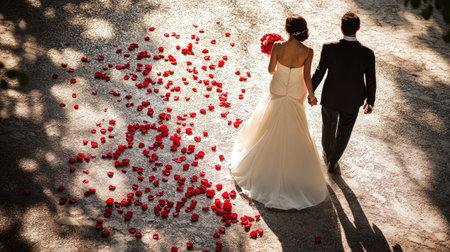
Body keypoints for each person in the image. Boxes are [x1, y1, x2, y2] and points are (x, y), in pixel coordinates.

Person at [230, 15, 328, 210]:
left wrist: (280, 72)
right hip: (294, 91)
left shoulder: (277, 47)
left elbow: (270, 69)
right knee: (295, 126)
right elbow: (307, 76)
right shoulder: (308, 51)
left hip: (278, 87)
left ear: (287, 30)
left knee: (269, 121)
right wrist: (311, 95)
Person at [312, 11, 376, 175]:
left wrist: (310, 91)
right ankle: (334, 161)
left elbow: (320, 72)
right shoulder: (367, 53)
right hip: (353, 99)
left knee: (328, 127)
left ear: (341, 28)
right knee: (345, 130)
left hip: (331, 96)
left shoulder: (329, 48)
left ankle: (327, 155)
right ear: (358, 28)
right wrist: (370, 101)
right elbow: (371, 80)